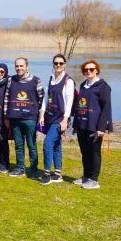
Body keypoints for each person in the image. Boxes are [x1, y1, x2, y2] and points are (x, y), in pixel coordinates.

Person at [73, 59, 112, 189]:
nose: (88, 71)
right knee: (85, 152)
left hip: (94, 126)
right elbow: (79, 105)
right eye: (86, 70)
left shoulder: (103, 87)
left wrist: (101, 128)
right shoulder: (83, 85)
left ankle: (94, 180)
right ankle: (86, 176)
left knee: (94, 152)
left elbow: (106, 109)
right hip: (82, 125)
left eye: (91, 69)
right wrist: (76, 123)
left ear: (97, 71)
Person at [4, 57, 45, 178]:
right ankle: (20, 167)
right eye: (17, 66)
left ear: (27, 67)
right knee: (18, 145)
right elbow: (6, 98)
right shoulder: (11, 80)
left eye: (21, 66)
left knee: (31, 145)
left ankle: (34, 169)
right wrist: (6, 116)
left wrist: (40, 115)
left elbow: (42, 99)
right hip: (14, 118)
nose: (19, 68)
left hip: (30, 118)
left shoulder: (36, 81)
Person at [38, 54, 75, 185]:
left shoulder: (68, 81)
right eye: (56, 63)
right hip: (49, 116)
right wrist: (42, 114)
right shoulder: (51, 78)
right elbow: (45, 98)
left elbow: (69, 102)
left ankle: (47, 174)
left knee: (47, 143)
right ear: (53, 65)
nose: (58, 65)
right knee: (56, 145)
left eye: (60, 63)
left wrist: (65, 120)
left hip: (60, 119)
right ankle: (58, 174)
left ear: (65, 65)